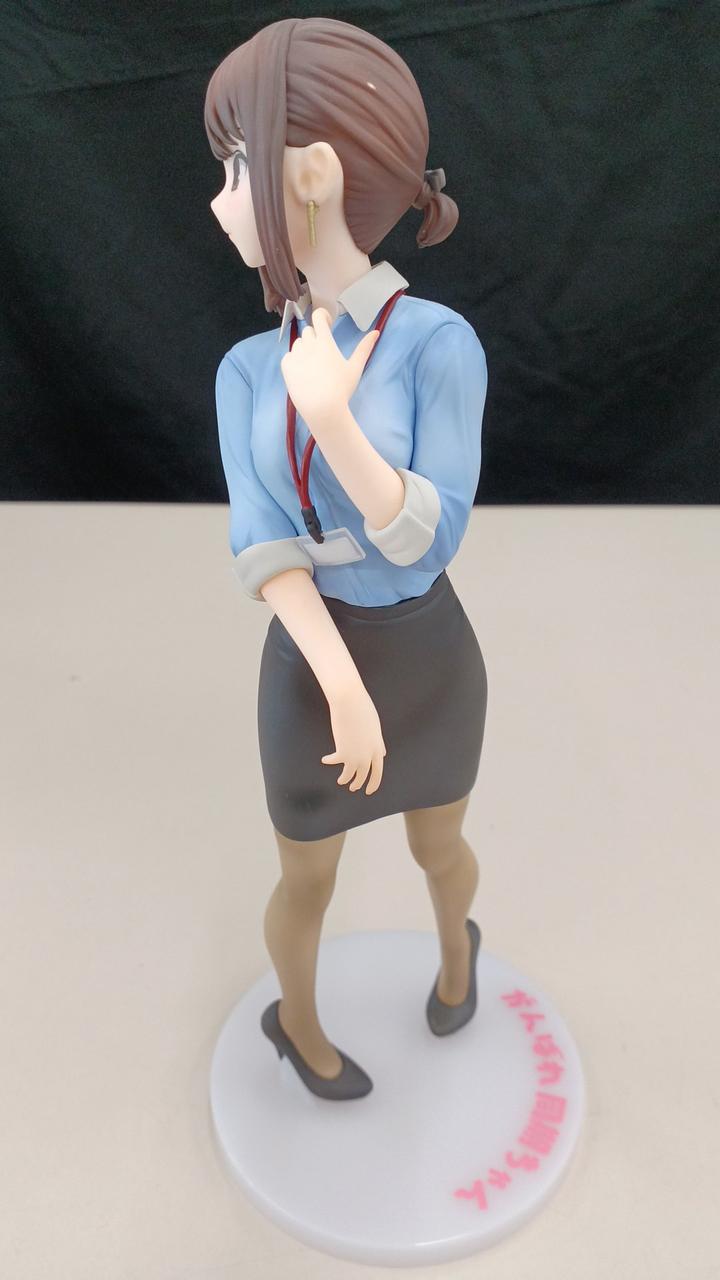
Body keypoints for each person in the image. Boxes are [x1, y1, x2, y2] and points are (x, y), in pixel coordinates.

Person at [205, 17, 489, 1100]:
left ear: (314, 176)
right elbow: (263, 543)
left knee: (439, 847)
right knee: (307, 878)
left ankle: (459, 950)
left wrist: (337, 426)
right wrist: (339, 685)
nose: (220, 201)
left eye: (238, 168)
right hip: (314, 664)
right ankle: (299, 1022)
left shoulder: (438, 344)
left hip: (427, 653)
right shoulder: (246, 369)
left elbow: (435, 532)